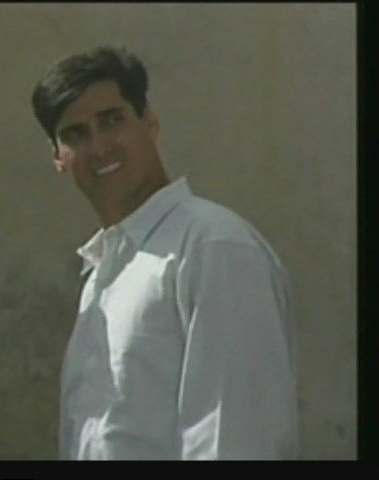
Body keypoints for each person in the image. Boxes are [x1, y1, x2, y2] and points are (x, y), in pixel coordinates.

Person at [31, 46, 299, 460]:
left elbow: (234, 438)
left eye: (112, 120)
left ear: (150, 123)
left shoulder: (212, 247)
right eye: (76, 134)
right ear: (57, 158)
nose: (99, 147)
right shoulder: (108, 270)